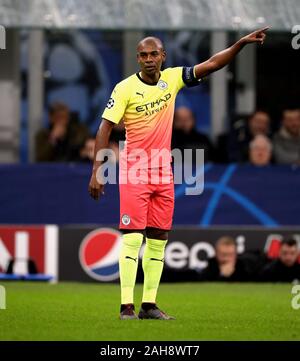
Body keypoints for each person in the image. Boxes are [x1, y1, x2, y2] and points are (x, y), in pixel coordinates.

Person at [88, 28, 269, 320]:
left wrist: (240, 44)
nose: (149, 59)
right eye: (143, 55)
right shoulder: (123, 89)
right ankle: (126, 307)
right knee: (133, 238)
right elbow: (105, 128)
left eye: (153, 54)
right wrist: (97, 170)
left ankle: (148, 305)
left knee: (158, 238)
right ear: (138, 58)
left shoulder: (173, 78)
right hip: (134, 170)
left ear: (163, 56)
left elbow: (212, 64)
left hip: (164, 172)